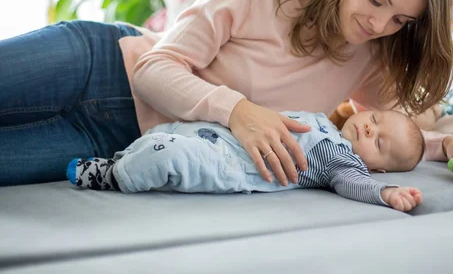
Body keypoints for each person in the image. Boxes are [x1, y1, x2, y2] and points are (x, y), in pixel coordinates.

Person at [0, 0, 453, 187]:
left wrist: (447, 146)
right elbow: (155, 70)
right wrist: (239, 112)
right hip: (100, 64)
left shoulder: (372, 53)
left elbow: (399, 125)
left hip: (117, 140)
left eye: (399, 19)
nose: (378, 24)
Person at [67, 109, 425, 212]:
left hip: (231, 164)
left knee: (169, 152)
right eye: (374, 119)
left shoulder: (342, 160)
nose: (367, 129)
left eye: (379, 142)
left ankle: (112, 175)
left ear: (376, 167)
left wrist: (386, 193)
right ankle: (121, 161)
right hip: (225, 137)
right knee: (170, 130)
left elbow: (354, 184)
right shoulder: (323, 120)